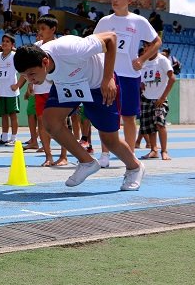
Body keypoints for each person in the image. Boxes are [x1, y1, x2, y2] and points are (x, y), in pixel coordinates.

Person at [13, 33, 146, 191]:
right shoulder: (35, 56)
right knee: (50, 121)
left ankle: (134, 167)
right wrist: (29, 82)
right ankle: (86, 162)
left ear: (45, 62)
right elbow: (30, 72)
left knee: (109, 140)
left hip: (98, 84)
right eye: (24, 76)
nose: (30, 79)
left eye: (32, 74)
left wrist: (108, 78)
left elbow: (111, 38)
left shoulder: (72, 49)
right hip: (68, 84)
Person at [92, 0, 160, 168]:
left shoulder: (139, 21)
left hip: (130, 75)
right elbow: (94, 44)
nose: (115, 0)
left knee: (129, 117)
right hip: (109, 74)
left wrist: (142, 59)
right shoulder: (104, 22)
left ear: (129, 0)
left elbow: (156, 41)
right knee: (107, 115)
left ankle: (130, 154)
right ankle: (105, 154)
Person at [30, 14, 70, 167]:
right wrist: (30, 84)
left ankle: (63, 156)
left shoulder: (60, 46)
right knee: (41, 122)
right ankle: (48, 156)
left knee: (61, 122)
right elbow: (31, 68)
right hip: (40, 90)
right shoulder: (36, 46)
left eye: (43, 28)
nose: (40, 32)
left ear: (53, 29)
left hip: (57, 88)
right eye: (38, 29)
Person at [139, 41, 176, 161]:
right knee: (149, 126)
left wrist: (163, 97)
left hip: (159, 98)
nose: (145, 49)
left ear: (154, 46)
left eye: (148, 46)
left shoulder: (162, 60)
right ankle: (153, 150)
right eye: (144, 47)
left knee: (160, 124)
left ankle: (164, 151)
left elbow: (172, 78)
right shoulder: (144, 61)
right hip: (146, 97)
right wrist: (141, 84)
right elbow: (141, 77)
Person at [0, 34, 23, 145]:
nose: (4, 43)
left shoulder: (15, 56)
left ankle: (14, 138)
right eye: (3, 41)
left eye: (7, 41)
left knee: (12, 114)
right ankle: (4, 138)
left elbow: (23, 72)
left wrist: (17, 85)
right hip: (1, 90)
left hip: (11, 91)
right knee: (3, 114)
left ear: (12, 44)